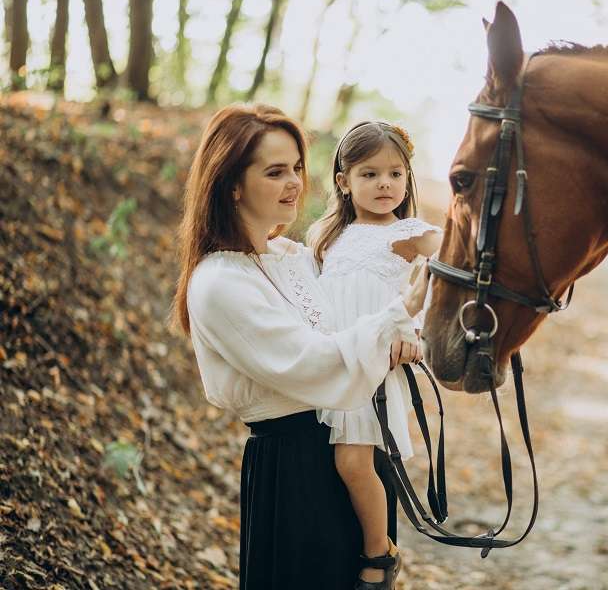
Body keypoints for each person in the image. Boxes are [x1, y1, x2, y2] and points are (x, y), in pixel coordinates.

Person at [170, 104, 430, 590]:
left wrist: (405, 337)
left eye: (295, 168)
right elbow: (313, 363)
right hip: (295, 469)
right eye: (274, 172)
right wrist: (394, 320)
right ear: (231, 184)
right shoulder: (220, 281)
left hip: (353, 441)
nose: (293, 182)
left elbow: (357, 319)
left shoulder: (297, 258)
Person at [306, 121, 442, 589]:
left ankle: (378, 552)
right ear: (343, 182)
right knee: (328, 466)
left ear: (407, 178)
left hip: (373, 366)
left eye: (395, 174)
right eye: (369, 174)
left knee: (353, 462)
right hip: (329, 361)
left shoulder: (410, 232)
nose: (385, 184)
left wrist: (417, 331)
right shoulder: (326, 236)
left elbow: (450, 269)